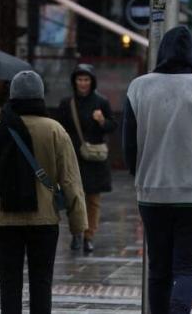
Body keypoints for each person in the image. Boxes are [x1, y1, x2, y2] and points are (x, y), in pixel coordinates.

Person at [122, 26, 192, 314]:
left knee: (158, 270)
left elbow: (128, 144)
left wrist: (141, 173)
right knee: (187, 269)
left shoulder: (138, 87)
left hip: (152, 194)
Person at [0, 71, 88, 314]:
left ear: (12, 96)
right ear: (40, 96)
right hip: (44, 220)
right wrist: (78, 223)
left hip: (5, 220)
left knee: (9, 284)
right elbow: (70, 179)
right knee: (41, 282)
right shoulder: (55, 130)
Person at [58, 64, 116, 253]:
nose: (83, 83)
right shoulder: (67, 103)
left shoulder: (101, 102)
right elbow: (60, 129)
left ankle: (88, 236)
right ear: (74, 82)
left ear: (92, 82)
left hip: (94, 159)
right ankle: (76, 233)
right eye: (80, 79)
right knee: (73, 198)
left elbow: (112, 125)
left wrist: (101, 121)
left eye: (86, 80)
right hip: (73, 157)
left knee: (93, 200)